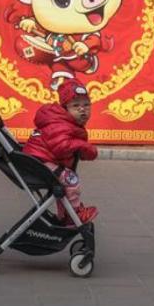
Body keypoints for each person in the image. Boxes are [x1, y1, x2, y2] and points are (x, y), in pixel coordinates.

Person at [22, 79, 99, 226]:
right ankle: (73, 215)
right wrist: (84, 146)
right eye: (76, 105)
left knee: (62, 186)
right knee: (71, 181)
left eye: (86, 105)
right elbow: (61, 147)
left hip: (42, 160)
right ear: (65, 108)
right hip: (39, 162)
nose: (82, 109)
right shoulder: (59, 123)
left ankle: (65, 214)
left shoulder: (65, 121)